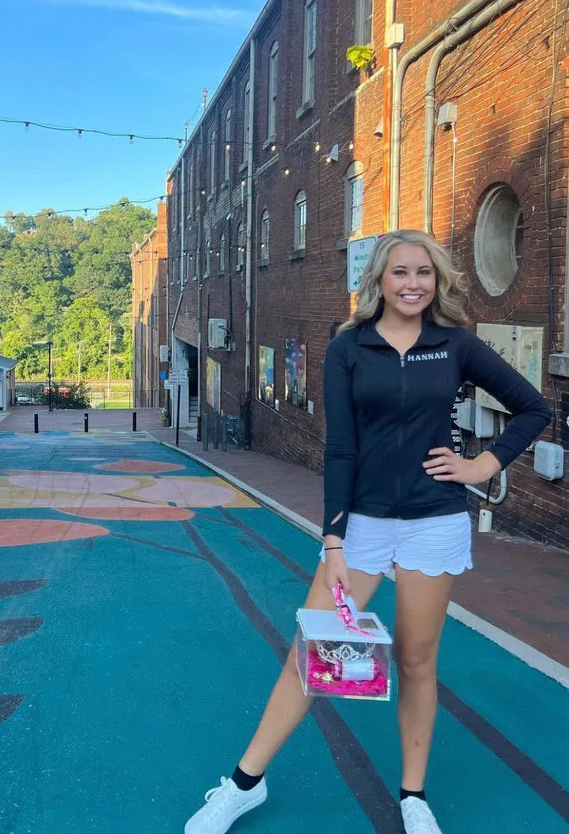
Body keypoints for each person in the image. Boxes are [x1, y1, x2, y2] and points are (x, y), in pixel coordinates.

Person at [184, 229, 551, 834]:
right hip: (363, 527)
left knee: (415, 658)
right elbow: (341, 448)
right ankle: (243, 784)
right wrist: (333, 541)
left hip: (435, 521)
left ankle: (413, 796)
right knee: (313, 653)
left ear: (439, 283)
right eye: (401, 272)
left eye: (425, 273)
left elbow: (534, 407)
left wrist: (485, 465)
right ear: (378, 279)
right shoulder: (348, 348)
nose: (413, 284)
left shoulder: (456, 345)